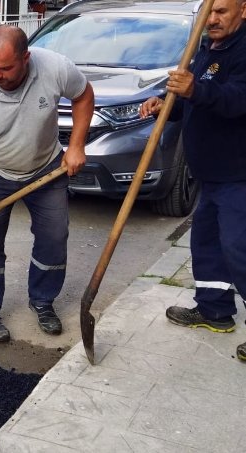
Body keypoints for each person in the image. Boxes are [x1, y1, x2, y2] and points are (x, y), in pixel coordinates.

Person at [0, 25, 94, 342]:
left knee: (54, 235)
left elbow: (84, 95)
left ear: (25, 58)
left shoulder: (55, 67)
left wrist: (76, 146)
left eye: (5, 68)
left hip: (45, 167)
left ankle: (43, 301)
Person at [139, 0, 246, 362]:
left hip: (239, 175)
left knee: (239, 249)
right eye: (207, 13)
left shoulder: (244, 50)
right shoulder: (208, 49)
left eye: (220, 12)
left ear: (244, 10)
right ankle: (214, 311)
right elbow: (195, 101)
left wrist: (195, 90)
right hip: (211, 175)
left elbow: (236, 100)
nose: (211, 20)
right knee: (207, 246)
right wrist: (166, 104)